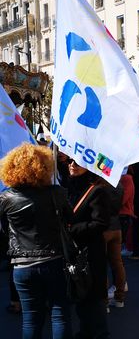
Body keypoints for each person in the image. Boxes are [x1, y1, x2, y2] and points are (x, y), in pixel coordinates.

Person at [0, 144, 72, 338]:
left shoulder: (6, 198)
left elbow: (3, 231)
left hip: (22, 266)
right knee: (60, 314)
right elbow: (69, 220)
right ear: (45, 167)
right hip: (54, 261)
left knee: (31, 319)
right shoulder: (57, 192)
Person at [68, 159, 120, 339]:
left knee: (94, 298)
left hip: (91, 252)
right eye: (70, 161)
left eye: (77, 162)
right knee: (82, 297)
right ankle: (85, 332)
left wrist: (71, 230)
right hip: (76, 252)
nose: (72, 164)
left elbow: (100, 223)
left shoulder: (97, 190)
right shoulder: (69, 187)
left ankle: (99, 334)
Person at [104, 170, 128, 309]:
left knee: (102, 264)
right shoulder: (118, 185)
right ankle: (119, 298)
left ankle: (105, 301)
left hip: (103, 228)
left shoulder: (98, 187)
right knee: (117, 263)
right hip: (116, 226)